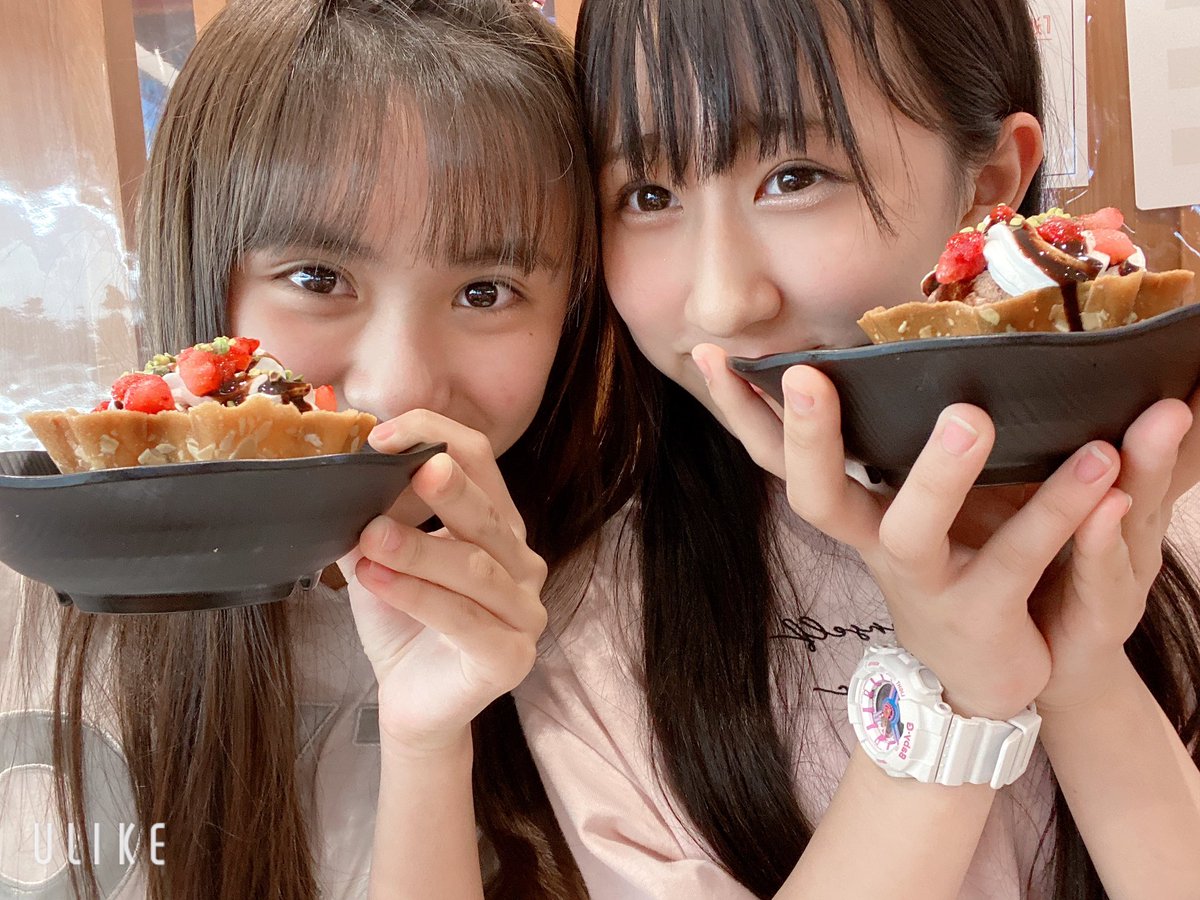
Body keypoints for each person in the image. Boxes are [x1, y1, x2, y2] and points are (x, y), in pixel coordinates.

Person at [511, 1, 1200, 897]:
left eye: (795, 176)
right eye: (648, 197)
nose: (721, 302)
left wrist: (1085, 672)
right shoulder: (588, 620)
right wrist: (951, 692)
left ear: (990, 180)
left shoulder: (1161, 517)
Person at [0, 1, 634, 898]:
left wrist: (425, 742)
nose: (400, 385)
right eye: (317, 277)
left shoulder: (598, 611)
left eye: (486, 291)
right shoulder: (34, 582)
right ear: (198, 272)